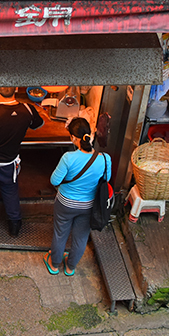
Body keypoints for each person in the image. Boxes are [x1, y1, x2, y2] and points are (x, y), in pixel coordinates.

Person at [0, 87, 44, 237]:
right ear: (16, 89)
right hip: (9, 163)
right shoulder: (28, 109)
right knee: (10, 191)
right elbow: (38, 125)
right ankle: (15, 225)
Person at [44, 117, 111, 276]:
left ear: (73, 138)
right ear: (90, 135)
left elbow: (54, 181)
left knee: (60, 233)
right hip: (88, 205)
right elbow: (106, 180)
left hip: (65, 204)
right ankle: (70, 267)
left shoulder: (68, 158)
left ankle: (54, 265)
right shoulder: (105, 159)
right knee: (81, 237)